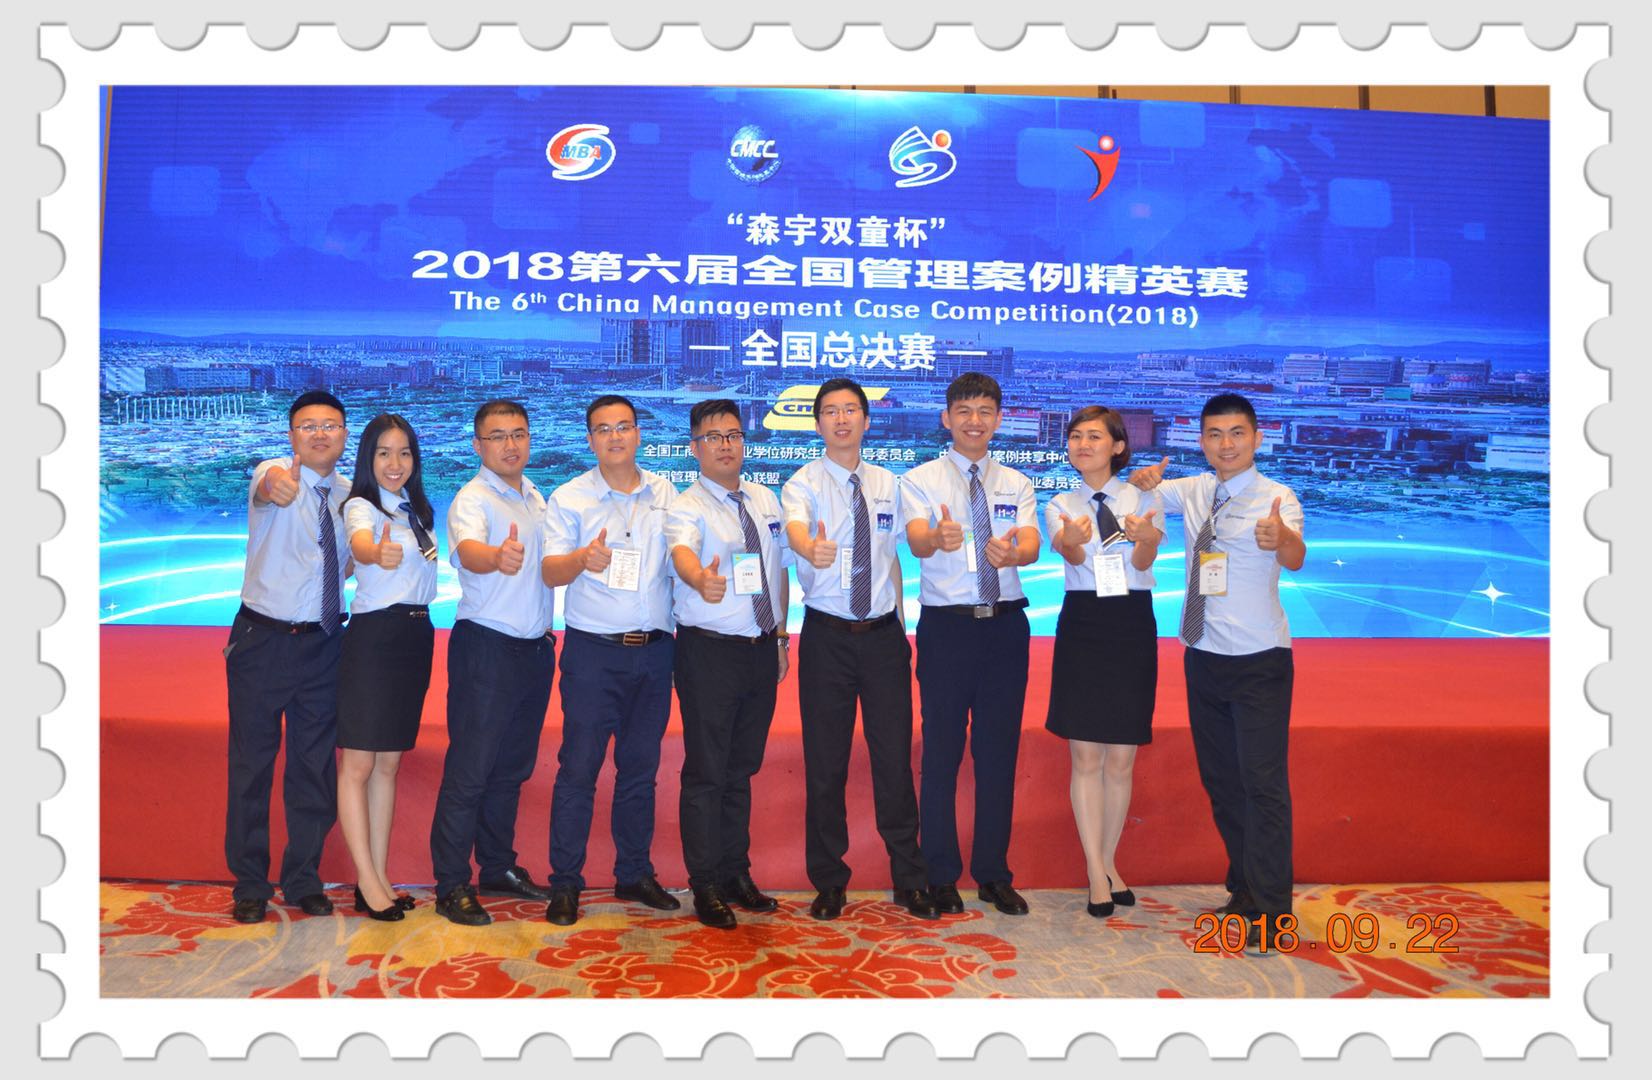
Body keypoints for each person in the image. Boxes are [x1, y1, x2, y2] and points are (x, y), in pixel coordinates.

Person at [1129, 392, 1306, 948]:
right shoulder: (1195, 490)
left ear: (1256, 439)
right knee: (1223, 783)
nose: (1225, 445)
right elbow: (1142, 491)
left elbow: (1296, 556)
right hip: (1203, 653)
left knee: (1263, 786)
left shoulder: (1278, 498)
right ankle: (1245, 889)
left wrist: (1282, 539)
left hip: (1259, 660)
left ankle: (1274, 912)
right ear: (1201, 441)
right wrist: (1143, 478)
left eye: (1236, 433)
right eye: (1214, 434)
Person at [783, 378, 938, 921]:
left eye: (851, 410)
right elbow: (796, 532)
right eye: (830, 411)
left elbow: (895, 555)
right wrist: (810, 548)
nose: (842, 419)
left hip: (882, 640)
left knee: (893, 759)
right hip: (826, 638)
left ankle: (909, 878)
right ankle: (829, 880)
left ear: (867, 421)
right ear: (818, 424)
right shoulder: (801, 483)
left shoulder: (890, 484)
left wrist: (900, 622)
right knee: (826, 764)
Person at [901, 372, 1041, 916]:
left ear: (998, 419)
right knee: (941, 753)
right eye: (964, 411)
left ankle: (993, 874)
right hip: (948, 629)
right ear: (947, 418)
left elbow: (1031, 541)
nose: (974, 421)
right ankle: (940, 874)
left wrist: (1016, 554)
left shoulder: (1017, 483)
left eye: (985, 411)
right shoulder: (920, 480)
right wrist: (936, 538)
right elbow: (917, 539)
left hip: (1005, 627)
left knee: (997, 752)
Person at [538, 395, 681, 926]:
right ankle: (565, 883)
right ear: (590, 439)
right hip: (594, 654)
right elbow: (550, 572)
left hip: (655, 651)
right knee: (579, 769)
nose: (615, 437)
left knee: (640, 771)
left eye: (624, 427)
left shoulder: (667, 493)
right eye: (603, 429)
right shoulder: (570, 498)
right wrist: (582, 559)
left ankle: (634, 872)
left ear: (638, 434)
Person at [223, 389, 351, 923]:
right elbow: (267, 488)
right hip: (263, 641)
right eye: (308, 425)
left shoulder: (351, 496)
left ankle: (303, 879)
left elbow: (344, 564)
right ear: (292, 435)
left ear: (345, 434)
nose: (320, 433)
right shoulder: (273, 472)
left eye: (330, 425)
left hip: (325, 644)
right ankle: (250, 884)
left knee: (313, 767)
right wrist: (276, 486)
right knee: (251, 765)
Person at [665, 399, 792, 930]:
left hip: (761, 650)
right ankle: (705, 884)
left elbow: (779, 571)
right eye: (713, 437)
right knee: (707, 773)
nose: (725, 445)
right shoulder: (686, 506)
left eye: (734, 435)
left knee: (741, 770)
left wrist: (781, 636)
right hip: (709, 652)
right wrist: (700, 578)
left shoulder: (765, 499)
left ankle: (736, 872)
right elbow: (682, 554)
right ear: (694, 447)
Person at [429, 400, 557, 926]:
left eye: (518, 434)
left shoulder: (535, 495)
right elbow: (468, 552)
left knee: (510, 770)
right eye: (498, 436)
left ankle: (497, 866)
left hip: (534, 650)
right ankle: (451, 883)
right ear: (478, 445)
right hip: (486, 649)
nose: (510, 445)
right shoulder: (472, 499)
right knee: (471, 770)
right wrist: (495, 558)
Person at [1043, 406, 1165, 919]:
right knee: (1086, 757)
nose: (1083, 444)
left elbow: (1142, 562)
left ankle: (1110, 861)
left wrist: (1147, 540)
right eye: (1076, 436)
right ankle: (1096, 870)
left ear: (1117, 446)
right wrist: (1070, 542)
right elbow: (1070, 555)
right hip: (1084, 622)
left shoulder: (1143, 499)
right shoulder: (1060, 502)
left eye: (1094, 436)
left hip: (1130, 621)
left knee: (1121, 759)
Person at [336, 413, 439, 922]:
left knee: (388, 765)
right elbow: (360, 543)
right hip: (375, 638)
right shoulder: (362, 506)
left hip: (415, 635)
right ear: (367, 459)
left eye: (403, 453)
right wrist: (374, 552)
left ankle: (377, 877)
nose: (394, 463)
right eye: (383, 453)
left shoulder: (416, 510)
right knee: (358, 765)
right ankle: (366, 879)